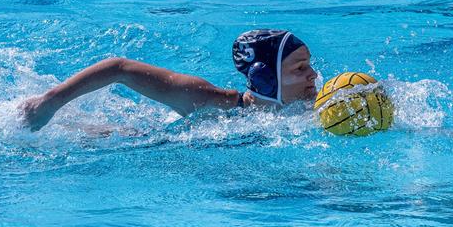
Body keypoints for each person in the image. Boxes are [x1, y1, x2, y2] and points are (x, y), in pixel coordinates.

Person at [19, 30, 319, 132]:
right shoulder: (207, 101)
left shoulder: (321, 106)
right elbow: (118, 67)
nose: (313, 75)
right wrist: (50, 102)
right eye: (300, 68)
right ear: (264, 78)